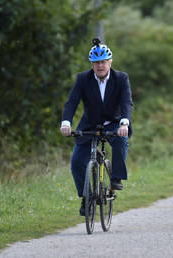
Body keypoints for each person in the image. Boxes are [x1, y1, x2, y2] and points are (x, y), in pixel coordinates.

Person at [60, 38, 133, 216]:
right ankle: (87, 197)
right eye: (96, 63)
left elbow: (126, 103)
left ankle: (115, 178)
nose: (100, 66)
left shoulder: (121, 78)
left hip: (114, 123)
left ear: (110, 62)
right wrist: (66, 122)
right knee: (77, 162)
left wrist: (124, 122)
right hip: (89, 124)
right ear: (92, 64)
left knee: (120, 142)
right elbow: (72, 102)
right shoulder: (83, 79)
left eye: (103, 62)